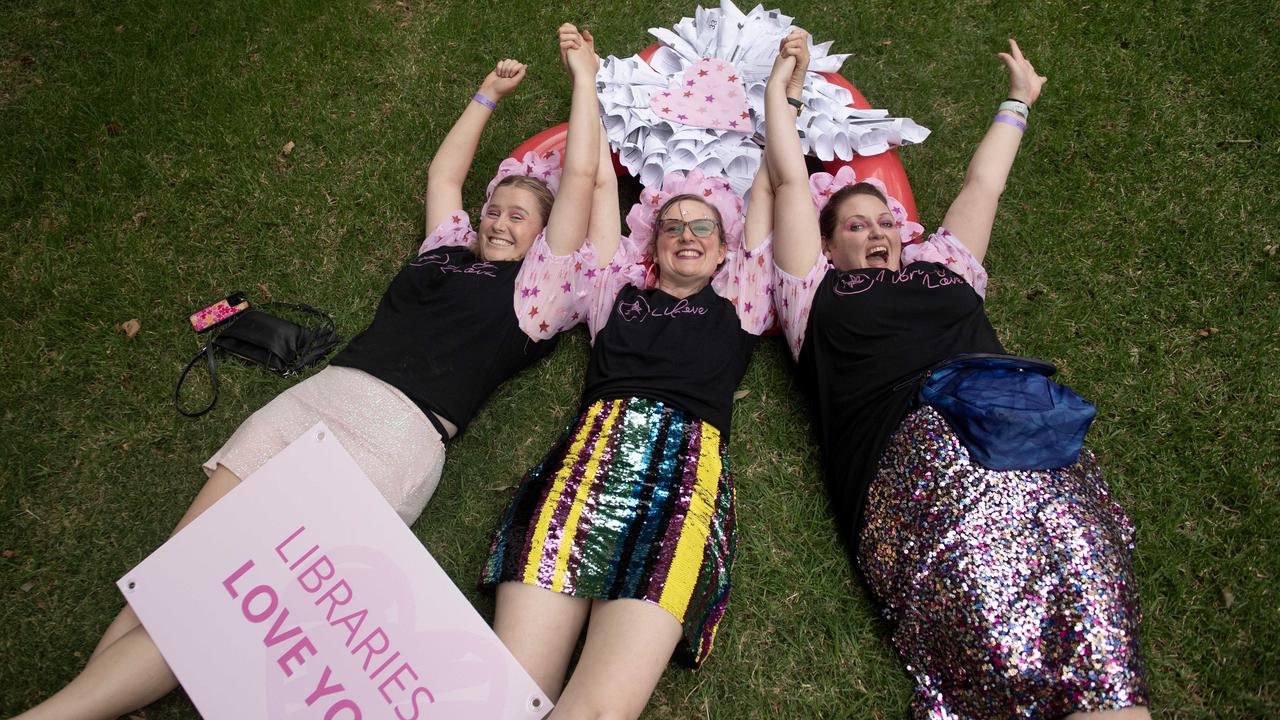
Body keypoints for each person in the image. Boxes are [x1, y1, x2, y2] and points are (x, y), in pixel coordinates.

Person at [14, 31, 609, 720]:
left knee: (226, 588)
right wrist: (486, 95)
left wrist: (583, 79)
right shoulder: (444, 250)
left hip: (393, 438)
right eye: (495, 210)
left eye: (520, 217)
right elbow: (444, 178)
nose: (500, 222)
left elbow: (583, 179)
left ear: (544, 237)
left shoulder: (536, 295)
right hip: (318, 398)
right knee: (177, 571)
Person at [765, 31, 1150, 719]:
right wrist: (783, 90)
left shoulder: (944, 264)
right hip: (915, 463)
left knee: (1095, 617)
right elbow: (791, 179)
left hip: (1024, 433)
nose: (878, 230)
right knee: (989, 634)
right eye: (856, 226)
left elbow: (984, 184)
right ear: (827, 245)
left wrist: (1018, 102)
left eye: (885, 220)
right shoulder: (810, 295)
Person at [478, 31, 793, 720]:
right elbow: (589, 181)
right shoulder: (610, 289)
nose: (687, 233)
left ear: (724, 247)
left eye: (704, 226)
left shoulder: (741, 296)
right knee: (502, 694)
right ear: (650, 240)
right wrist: (583, 79)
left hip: (684, 488)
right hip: (584, 470)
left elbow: (773, 180)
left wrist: (782, 92)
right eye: (673, 223)